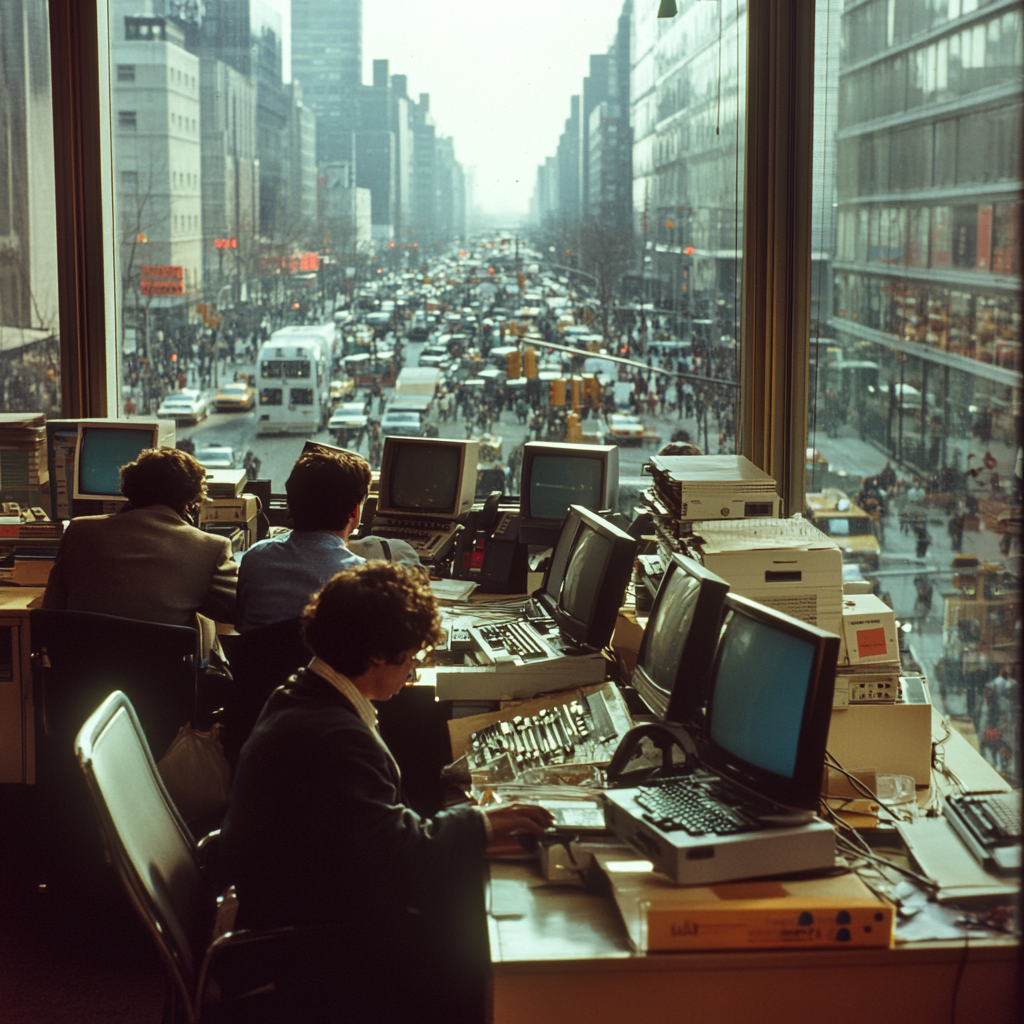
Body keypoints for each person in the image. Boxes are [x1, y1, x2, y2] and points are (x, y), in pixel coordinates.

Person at [219, 563, 552, 1022]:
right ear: (377, 654)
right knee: (491, 940)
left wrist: (469, 824)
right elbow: (398, 860)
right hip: (320, 946)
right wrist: (478, 821)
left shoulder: (298, 695)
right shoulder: (336, 737)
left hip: (299, 903)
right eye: (411, 656)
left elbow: (368, 834)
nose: (413, 670)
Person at [42, 447, 237, 655]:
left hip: (83, 679)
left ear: (129, 491)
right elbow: (235, 611)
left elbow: (51, 610)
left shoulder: (78, 531)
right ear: (187, 503)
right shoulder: (211, 547)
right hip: (164, 683)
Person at [235, 449, 369, 632]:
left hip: (260, 661)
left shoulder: (255, 559)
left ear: (291, 504)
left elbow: (241, 621)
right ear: (355, 511)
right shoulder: (362, 578)